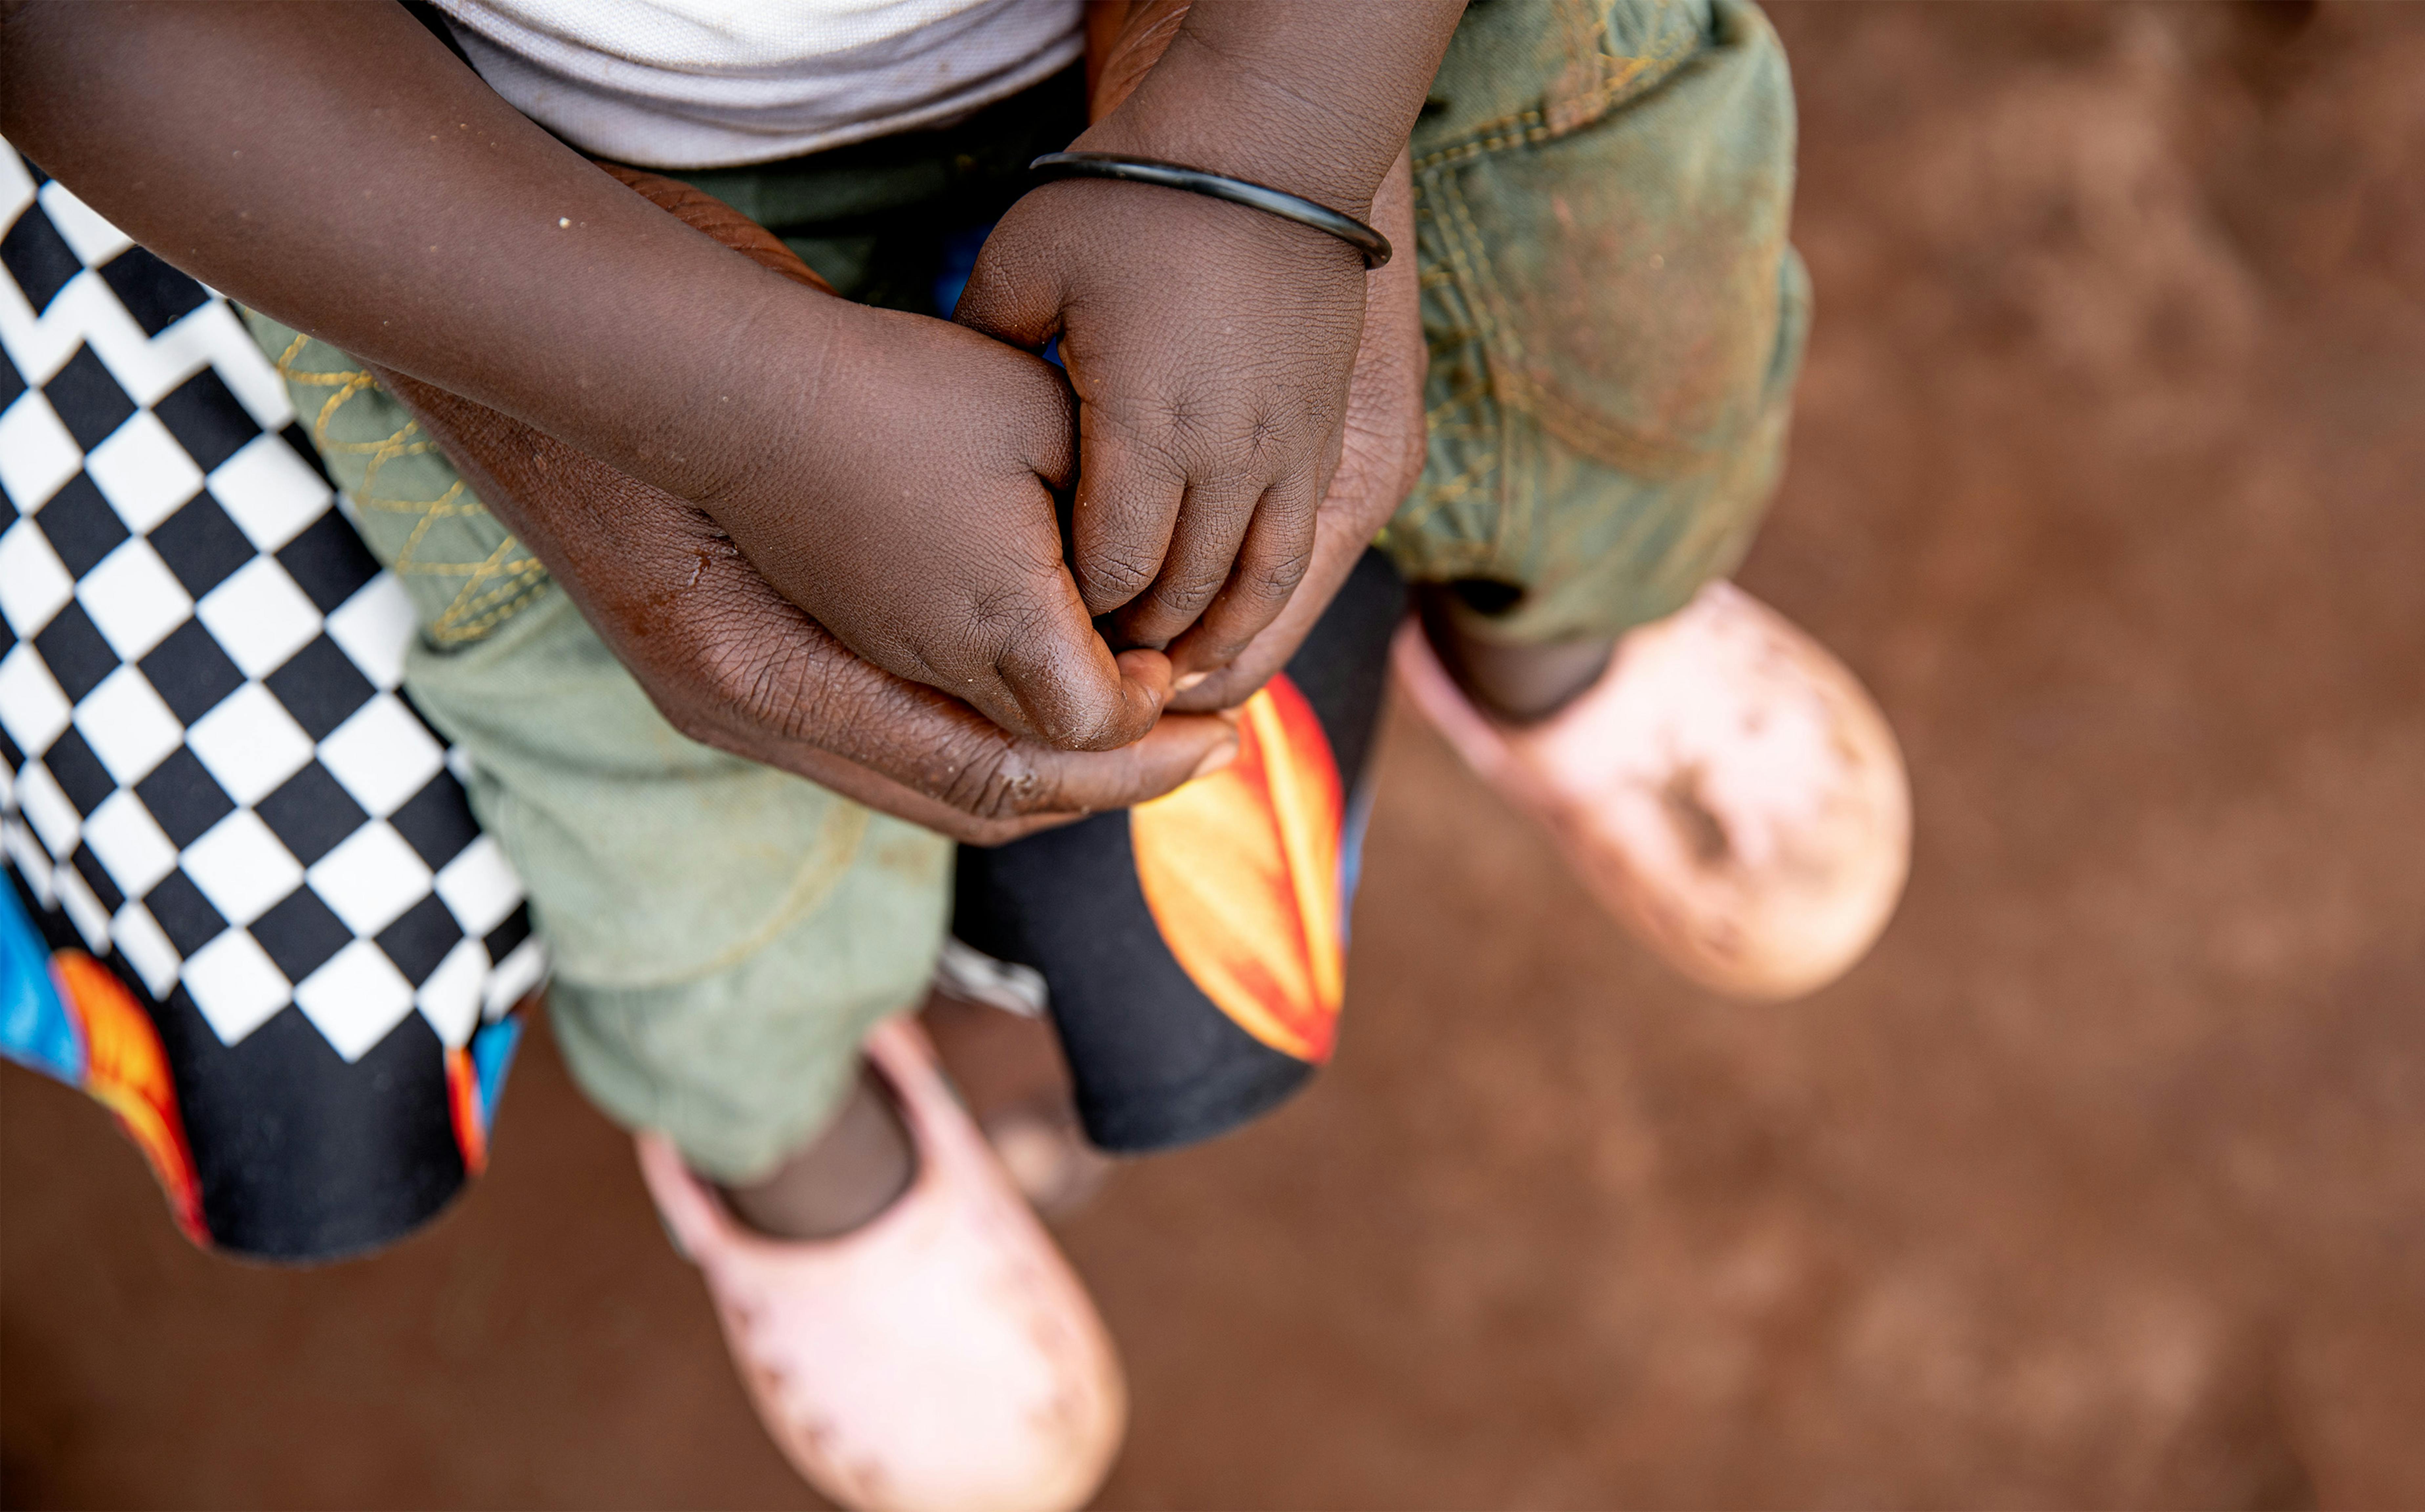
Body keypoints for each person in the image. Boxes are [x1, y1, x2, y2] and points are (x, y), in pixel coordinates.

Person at [0, 0, 1908, 1506]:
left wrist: (1274, 133)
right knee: (677, 813)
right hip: (491, 202)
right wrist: (723, 411)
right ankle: (780, 1128)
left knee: (1608, 306)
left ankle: (1567, 617)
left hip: (1320, 38)